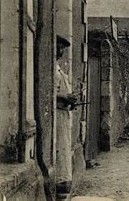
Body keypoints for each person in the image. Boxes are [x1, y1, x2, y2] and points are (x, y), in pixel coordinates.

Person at [55, 35, 77, 200]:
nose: (61, 51)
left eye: (63, 48)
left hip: (63, 114)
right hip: (55, 116)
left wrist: (70, 100)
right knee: (59, 150)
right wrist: (64, 97)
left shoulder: (58, 68)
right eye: (59, 47)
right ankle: (59, 187)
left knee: (64, 149)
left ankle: (63, 188)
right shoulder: (49, 68)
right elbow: (49, 93)